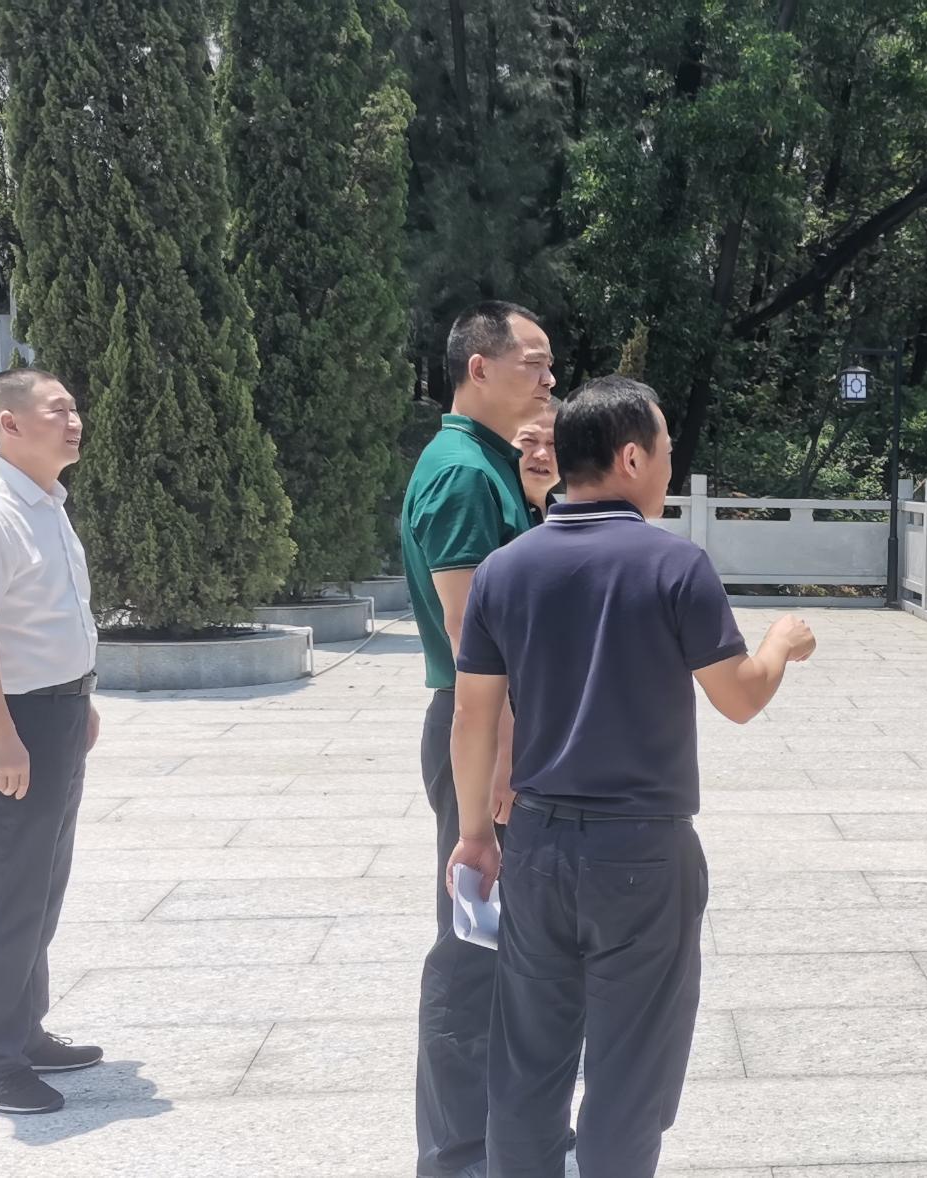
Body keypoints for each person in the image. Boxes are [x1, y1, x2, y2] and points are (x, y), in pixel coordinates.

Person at [449, 378, 815, 1177]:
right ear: (629, 456)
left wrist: (478, 833)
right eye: (667, 454)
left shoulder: (506, 570)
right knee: (627, 1076)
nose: (669, 471)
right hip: (643, 856)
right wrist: (782, 641)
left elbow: (473, 717)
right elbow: (739, 698)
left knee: (527, 1065)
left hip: (536, 843)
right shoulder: (675, 564)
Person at [399, 300, 554, 1177]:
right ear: (479, 367)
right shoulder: (461, 472)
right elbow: (469, 644)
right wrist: (494, 768)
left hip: (497, 732)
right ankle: (457, 1156)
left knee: (508, 949)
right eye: (534, 361)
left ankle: (503, 1140)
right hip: (481, 734)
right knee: (472, 947)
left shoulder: (493, 466)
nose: (547, 378)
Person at [0, 368, 104, 1116]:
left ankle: (23, 1029)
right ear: (10, 424)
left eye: (74, 409)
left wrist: (81, 700)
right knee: (7, 893)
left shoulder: (45, 504)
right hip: (8, 723)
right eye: (57, 410)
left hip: (54, 717)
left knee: (40, 887)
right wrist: (0, 734)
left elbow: (48, 619)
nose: (73, 421)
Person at [514, 404, 560, 521]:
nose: (542, 455)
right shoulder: (490, 510)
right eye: (529, 440)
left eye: (553, 444)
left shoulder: (570, 524)